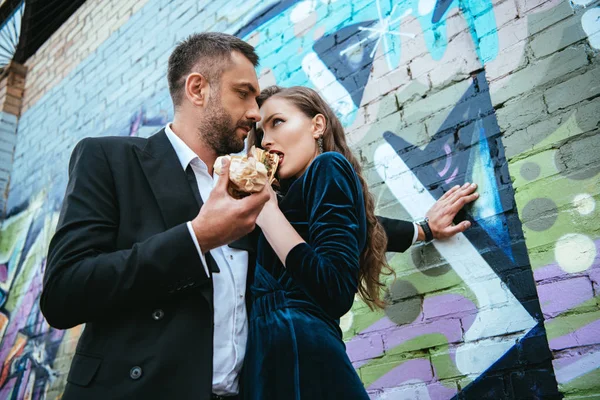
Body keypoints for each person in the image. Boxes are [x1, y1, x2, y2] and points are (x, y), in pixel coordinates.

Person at [40, 33, 477, 400]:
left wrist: (422, 228)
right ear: (197, 89)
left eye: (264, 109)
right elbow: (64, 293)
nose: (254, 117)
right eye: (243, 94)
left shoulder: (253, 190)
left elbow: (335, 227)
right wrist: (196, 237)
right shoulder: (111, 159)